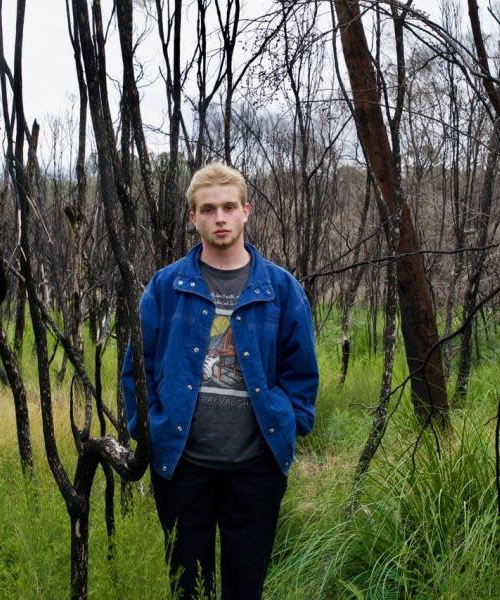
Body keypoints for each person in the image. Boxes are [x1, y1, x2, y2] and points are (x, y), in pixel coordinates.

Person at [121, 163, 319, 599]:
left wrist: (290, 421)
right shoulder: (166, 287)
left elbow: (301, 372)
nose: (220, 218)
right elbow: (138, 367)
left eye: (229, 207)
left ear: (246, 211)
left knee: (245, 588)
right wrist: (148, 430)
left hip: (256, 468)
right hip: (182, 467)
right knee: (188, 588)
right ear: (193, 217)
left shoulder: (281, 289)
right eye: (208, 209)